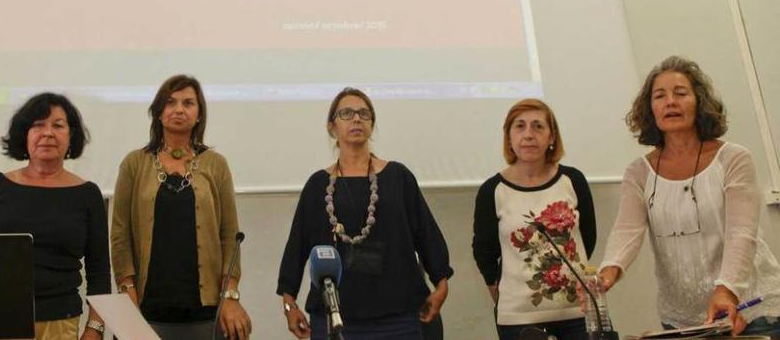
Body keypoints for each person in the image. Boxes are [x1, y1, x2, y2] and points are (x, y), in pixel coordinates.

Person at [599, 56, 780, 337]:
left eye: (680, 93)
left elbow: (742, 234)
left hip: (748, 309)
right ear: (651, 110)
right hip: (682, 319)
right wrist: (605, 275)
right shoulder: (638, 172)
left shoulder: (733, 159)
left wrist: (727, 290)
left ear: (700, 102)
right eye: (660, 96)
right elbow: (627, 231)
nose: (670, 101)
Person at [277, 87, 453, 340]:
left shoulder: (398, 177)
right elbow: (297, 246)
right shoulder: (318, 185)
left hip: (400, 315)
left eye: (364, 114)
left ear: (372, 125)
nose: (357, 118)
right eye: (346, 113)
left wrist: (441, 284)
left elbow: (426, 234)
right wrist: (289, 304)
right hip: (335, 317)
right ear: (332, 127)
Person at [0, 92, 110, 340]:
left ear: (71, 136)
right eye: (38, 125)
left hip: (60, 323)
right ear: (24, 135)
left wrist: (95, 328)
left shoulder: (88, 195)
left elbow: (100, 271)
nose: (48, 133)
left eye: (58, 125)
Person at [111, 74, 252, 340]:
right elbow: (120, 234)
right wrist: (127, 292)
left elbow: (230, 235)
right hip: (145, 311)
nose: (178, 109)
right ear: (158, 112)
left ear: (199, 114)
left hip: (205, 313)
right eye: (170, 102)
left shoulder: (216, 164)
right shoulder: (134, 163)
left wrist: (231, 295)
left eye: (188, 103)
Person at [473, 98, 596, 340]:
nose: (528, 134)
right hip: (519, 319)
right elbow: (484, 250)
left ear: (552, 137)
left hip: (579, 312)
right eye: (519, 126)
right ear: (508, 137)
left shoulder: (573, 180)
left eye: (538, 126)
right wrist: (499, 291)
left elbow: (588, 237)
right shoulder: (493, 189)